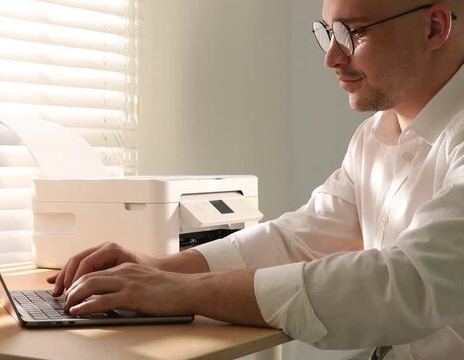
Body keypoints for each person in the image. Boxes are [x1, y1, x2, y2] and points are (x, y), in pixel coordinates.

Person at [48, 0, 464, 359]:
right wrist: (162, 268)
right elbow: (299, 238)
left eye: (351, 32)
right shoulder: (375, 136)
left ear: (434, 27)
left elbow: (408, 282)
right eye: (327, 32)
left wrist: (179, 292)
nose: (332, 57)